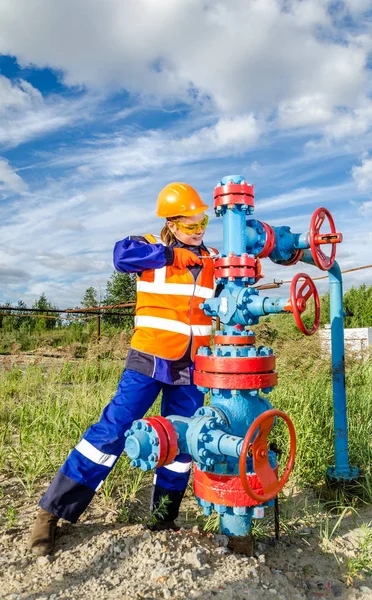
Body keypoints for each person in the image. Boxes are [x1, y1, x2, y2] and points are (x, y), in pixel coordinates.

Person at [28, 182, 217, 556]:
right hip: (149, 358)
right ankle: (51, 513)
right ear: (173, 223)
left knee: (182, 442)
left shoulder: (212, 258)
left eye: (203, 224)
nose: (199, 232)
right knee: (111, 432)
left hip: (192, 366)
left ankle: (163, 516)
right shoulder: (148, 245)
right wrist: (168, 255)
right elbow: (121, 256)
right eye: (192, 225)